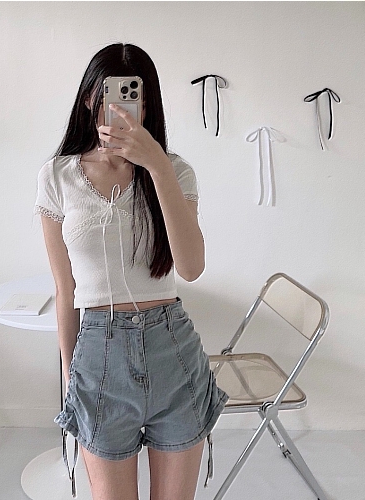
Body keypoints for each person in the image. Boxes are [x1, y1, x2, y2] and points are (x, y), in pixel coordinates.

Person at [35, 43, 228, 500]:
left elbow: (191, 267)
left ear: (147, 101)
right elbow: (65, 289)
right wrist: (70, 374)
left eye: (131, 94)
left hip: (173, 351)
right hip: (97, 355)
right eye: (106, 94)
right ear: (89, 98)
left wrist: (157, 164)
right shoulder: (58, 176)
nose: (118, 106)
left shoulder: (175, 172)